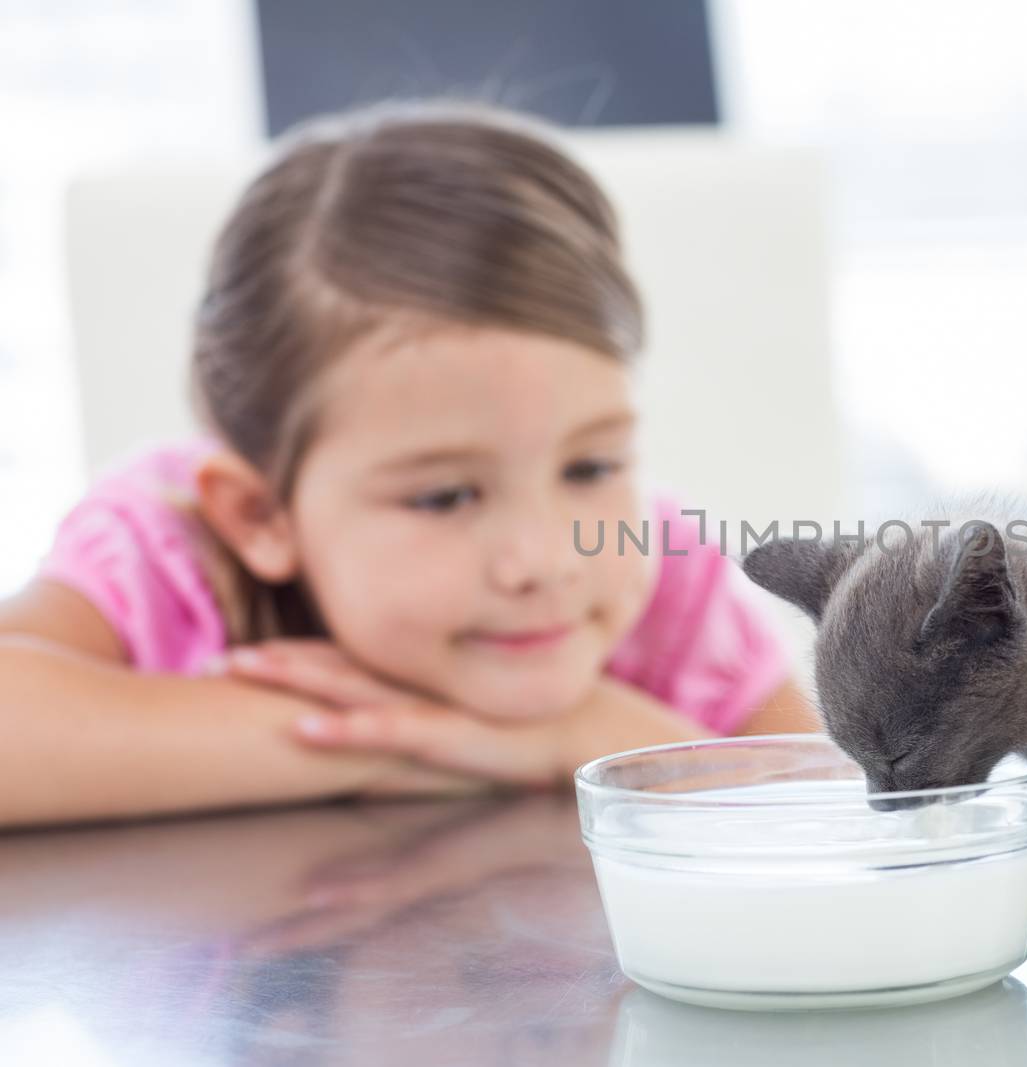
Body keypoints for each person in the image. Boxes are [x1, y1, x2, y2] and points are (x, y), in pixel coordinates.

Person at [0, 100, 817, 829]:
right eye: (445, 495)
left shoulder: (663, 582)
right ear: (259, 514)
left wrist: (585, 737)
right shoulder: (169, 549)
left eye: (591, 467)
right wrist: (397, 742)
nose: (546, 559)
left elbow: (840, 823)